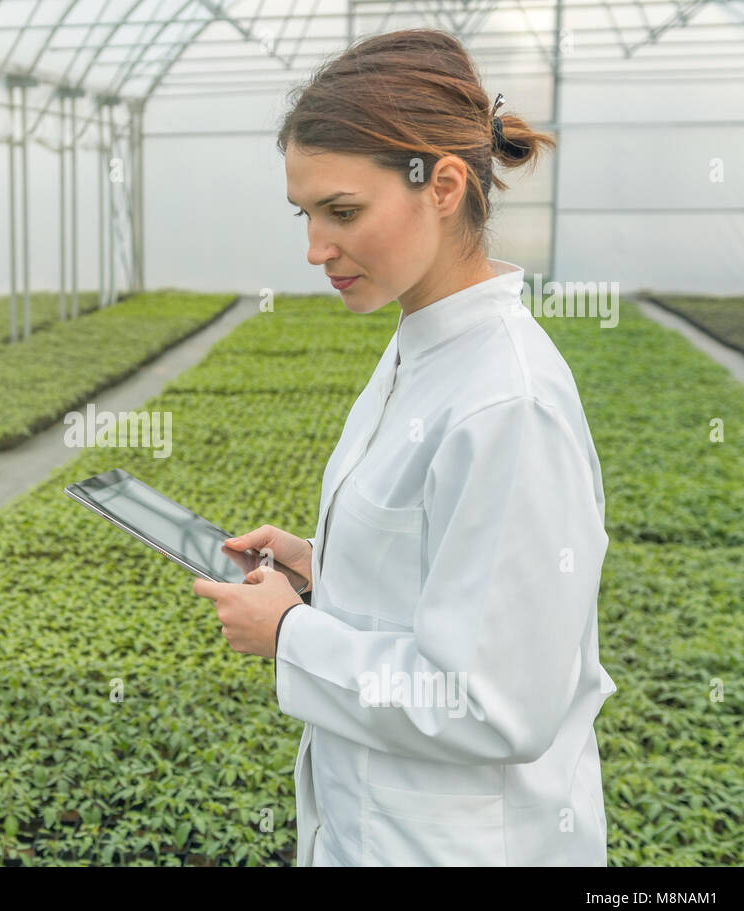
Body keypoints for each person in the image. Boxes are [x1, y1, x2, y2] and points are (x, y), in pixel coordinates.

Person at [192, 29, 617, 866]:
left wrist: (291, 635)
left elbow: (494, 703)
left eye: (342, 212)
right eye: (305, 214)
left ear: (443, 185)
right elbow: (449, 565)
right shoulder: (418, 344)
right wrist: (328, 566)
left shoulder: (507, 403)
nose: (315, 249)